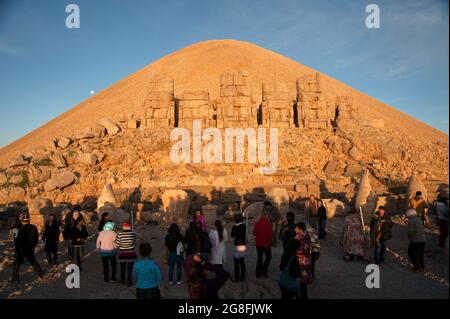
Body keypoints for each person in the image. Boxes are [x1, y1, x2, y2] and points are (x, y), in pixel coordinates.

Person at [11, 213, 44, 283]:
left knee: (16, 264)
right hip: (30, 249)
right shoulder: (34, 227)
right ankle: (42, 274)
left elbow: (16, 239)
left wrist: (17, 247)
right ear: (29, 220)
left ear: (22, 221)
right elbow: (36, 238)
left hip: (20, 249)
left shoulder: (19, 228)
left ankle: (15, 278)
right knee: (33, 262)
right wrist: (33, 246)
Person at [293, 222, 312, 299]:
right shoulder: (307, 235)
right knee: (304, 283)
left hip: (300, 262)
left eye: (296, 228)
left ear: (300, 229)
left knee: (299, 282)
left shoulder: (298, 238)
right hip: (307, 260)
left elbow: (295, 250)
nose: (295, 229)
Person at [114, 222, 137, 287]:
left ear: (123, 227)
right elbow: (134, 242)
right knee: (130, 269)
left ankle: (123, 281)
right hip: (131, 254)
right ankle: (129, 282)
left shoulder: (120, 234)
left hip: (122, 254)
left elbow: (117, 244)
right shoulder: (133, 234)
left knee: (122, 268)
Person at [253, 213, 272, 278]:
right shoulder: (268, 224)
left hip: (258, 244)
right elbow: (269, 235)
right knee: (268, 257)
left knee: (259, 258)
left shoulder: (257, 223)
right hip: (266, 244)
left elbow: (254, 233)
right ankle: (264, 270)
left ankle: (258, 273)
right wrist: (270, 243)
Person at [230, 214, 246, 282]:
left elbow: (232, 235)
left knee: (236, 262)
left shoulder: (235, 227)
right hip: (243, 244)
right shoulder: (244, 226)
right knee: (242, 261)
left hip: (237, 244)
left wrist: (234, 227)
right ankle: (242, 277)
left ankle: (236, 277)